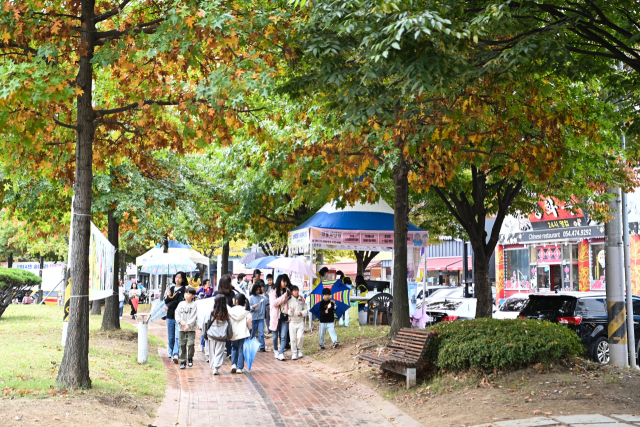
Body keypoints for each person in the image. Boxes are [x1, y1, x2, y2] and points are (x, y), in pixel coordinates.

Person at [202, 295, 232, 375]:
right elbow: (229, 326)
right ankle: (216, 367)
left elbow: (205, 323)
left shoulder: (210, 312)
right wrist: (229, 335)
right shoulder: (226, 314)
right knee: (219, 352)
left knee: (212, 352)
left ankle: (213, 366)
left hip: (211, 335)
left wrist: (204, 334)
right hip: (221, 336)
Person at [164, 272, 187, 363]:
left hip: (179, 316)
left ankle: (176, 353)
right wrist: (169, 295)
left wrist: (169, 304)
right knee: (171, 336)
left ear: (183, 279)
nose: (177, 279)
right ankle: (171, 351)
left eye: (180, 278)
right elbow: (165, 301)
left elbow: (179, 302)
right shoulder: (171, 288)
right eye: (176, 277)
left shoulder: (184, 290)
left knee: (178, 336)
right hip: (170, 315)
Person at [213, 275, 237, 357]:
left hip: (218, 317)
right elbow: (234, 306)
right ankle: (230, 352)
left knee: (217, 335)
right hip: (229, 317)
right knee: (229, 334)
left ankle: (216, 354)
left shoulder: (216, 293)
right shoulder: (233, 294)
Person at [269, 274, 291, 361]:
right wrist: (283, 297)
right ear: (279, 281)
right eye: (283, 281)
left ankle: (281, 353)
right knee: (274, 337)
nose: (285, 283)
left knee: (283, 336)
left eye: (286, 281)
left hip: (285, 316)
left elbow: (290, 302)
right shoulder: (273, 291)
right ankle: (276, 350)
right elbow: (274, 303)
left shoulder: (288, 291)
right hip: (275, 317)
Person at [175, 287, 198, 369]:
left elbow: (194, 316)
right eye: (185, 293)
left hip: (191, 329)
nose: (186, 295)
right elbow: (176, 313)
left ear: (193, 296)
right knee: (182, 344)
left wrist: (188, 325)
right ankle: (183, 361)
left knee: (191, 343)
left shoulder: (194, 305)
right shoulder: (181, 304)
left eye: (188, 294)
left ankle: (190, 357)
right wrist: (180, 321)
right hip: (181, 328)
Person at [228, 294, 251, 374]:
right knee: (241, 349)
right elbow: (249, 320)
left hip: (233, 333)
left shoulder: (231, 310)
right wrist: (249, 329)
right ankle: (240, 368)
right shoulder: (246, 310)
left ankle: (233, 364)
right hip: (242, 332)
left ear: (236, 301)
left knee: (234, 348)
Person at [287, 285, 308, 360]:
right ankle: (294, 353)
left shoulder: (301, 300)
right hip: (292, 322)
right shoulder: (289, 300)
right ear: (292, 292)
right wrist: (291, 311)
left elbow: (306, 310)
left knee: (300, 337)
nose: (296, 292)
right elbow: (288, 312)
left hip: (300, 321)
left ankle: (299, 349)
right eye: (295, 290)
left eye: (297, 290)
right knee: (292, 339)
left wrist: (302, 313)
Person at [196, 279, 214, 354]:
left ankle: (204, 345)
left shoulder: (211, 289)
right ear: (204, 284)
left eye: (209, 282)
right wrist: (201, 293)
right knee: (203, 328)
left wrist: (204, 294)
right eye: (208, 283)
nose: (209, 284)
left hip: (209, 307)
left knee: (206, 328)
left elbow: (210, 295)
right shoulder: (202, 288)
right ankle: (202, 344)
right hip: (202, 308)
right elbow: (197, 293)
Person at [249, 283, 267, 352]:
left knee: (261, 333)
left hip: (261, 318)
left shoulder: (262, 297)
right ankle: (250, 345)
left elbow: (267, 300)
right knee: (252, 332)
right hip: (253, 318)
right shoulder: (250, 298)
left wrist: (264, 292)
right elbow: (248, 307)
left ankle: (262, 346)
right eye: (257, 290)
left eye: (259, 290)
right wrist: (253, 307)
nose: (258, 291)